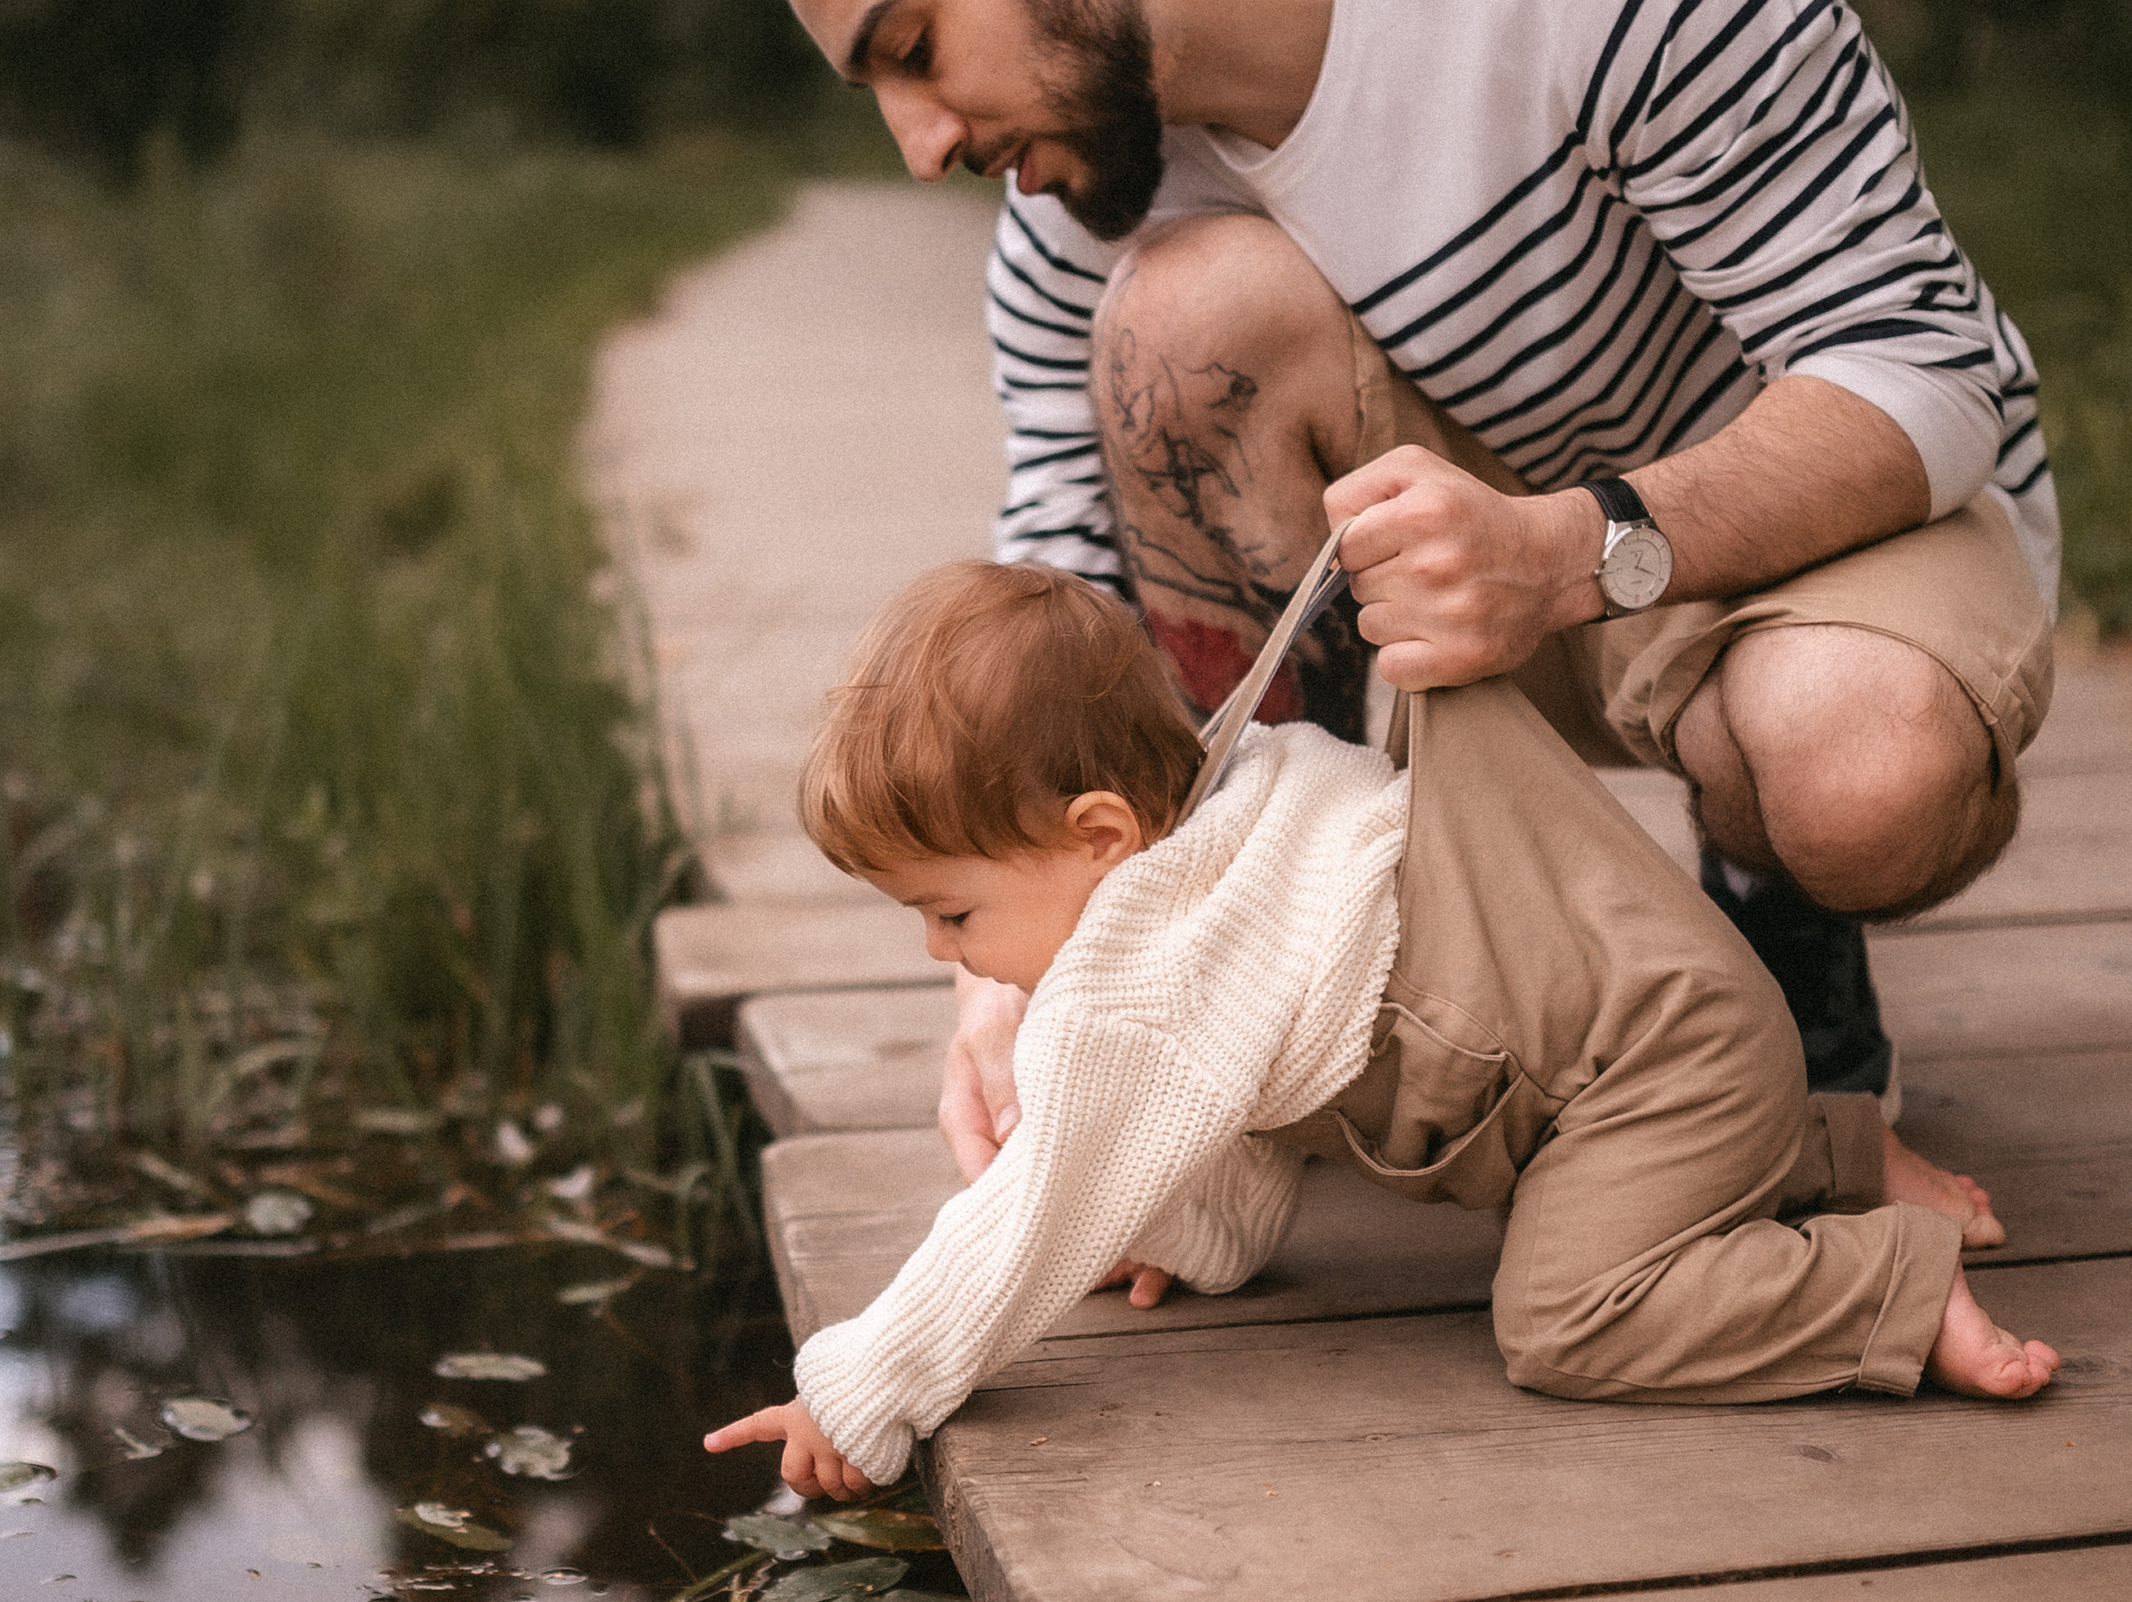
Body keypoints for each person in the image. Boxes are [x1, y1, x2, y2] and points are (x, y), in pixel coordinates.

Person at [742, 0, 2056, 1262]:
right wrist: (1011, 978)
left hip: (1791, 538)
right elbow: (1051, 614)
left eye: (914, 44)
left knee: (1860, 766)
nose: (921, 144)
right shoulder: (1074, 222)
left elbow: (1920, 367)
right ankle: (1313, 992)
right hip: (1468, 600)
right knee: (1188, 315)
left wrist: (1568, 553)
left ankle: (1795, 1002)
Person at [703, 565, 2057, 1502]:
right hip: (1671, 1033)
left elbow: (1027, 1214)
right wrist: (1176, 1230)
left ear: (1100, 837)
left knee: (1566, 1317)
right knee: (1627, 1163)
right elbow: (1227, 1144)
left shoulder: (1135, 974)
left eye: (950, 912)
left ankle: (1883, 1284)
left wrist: (863, 1389)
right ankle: (1831, 1145)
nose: (943, 956)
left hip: (1648, 1069)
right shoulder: (1246, 804)